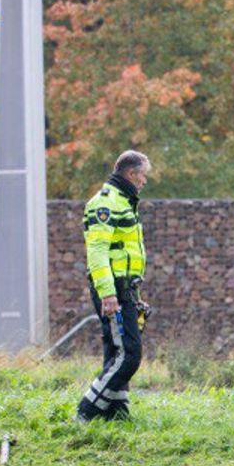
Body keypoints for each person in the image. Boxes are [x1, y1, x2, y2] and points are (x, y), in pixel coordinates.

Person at [76, 150, 150, 421]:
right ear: (131, 174)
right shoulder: (105, 204)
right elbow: (97, 252)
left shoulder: (124, 202)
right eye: (143, 175)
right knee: (130, 354)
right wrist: (109, 294)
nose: (144, 181)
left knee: (116, 351)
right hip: (113, 289)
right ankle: (87, 409)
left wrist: (134, 294)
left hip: (124, 288)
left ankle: (116, 414)